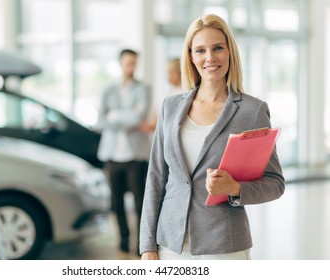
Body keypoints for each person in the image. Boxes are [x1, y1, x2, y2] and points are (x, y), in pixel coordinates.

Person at [139, 14, 285, 260]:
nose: (210, 57)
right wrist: (147, 246)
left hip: (225, 246)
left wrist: (235, 188)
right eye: (200, 50)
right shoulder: (170, 107)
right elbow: (155, 178)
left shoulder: (252, 111)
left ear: (230, 52)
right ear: (190, 56)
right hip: (169, 245)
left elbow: (275, 183)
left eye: (218, 48)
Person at [96, 49, 151, 256]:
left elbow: (139, 117)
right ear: (120, 63)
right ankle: (123, 240)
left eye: (134, 63)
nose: (131, 67)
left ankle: (141, 244)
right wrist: (127, 119)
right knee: (117, 203)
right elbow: (100, 121)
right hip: (112, 156)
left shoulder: (144, 88)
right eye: (128, 63)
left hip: (136, 156)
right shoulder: (108, 89)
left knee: (139, 203)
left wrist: (114, 116)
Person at [140, 57, 182, 133]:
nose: (169, 76)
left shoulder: (186, 93)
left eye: (172, 72)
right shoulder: (165, 93)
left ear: (181, 72)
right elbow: (155, 121)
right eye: (168, 73)